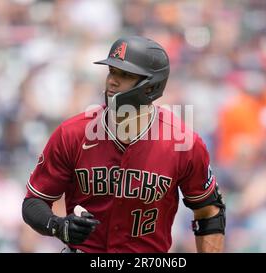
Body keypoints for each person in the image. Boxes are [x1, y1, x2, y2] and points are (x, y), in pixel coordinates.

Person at [22, 36, 225, 253]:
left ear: (151, 86)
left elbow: (208, 212)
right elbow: (34, 202)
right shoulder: (72, 134)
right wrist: (58, 226)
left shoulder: (183, 143)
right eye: (112, 71)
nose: (112, 81)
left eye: (125, 75)